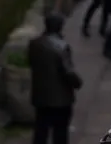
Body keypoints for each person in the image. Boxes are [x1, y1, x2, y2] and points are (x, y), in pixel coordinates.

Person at [29, 13, 83, 144]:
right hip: (60, 99)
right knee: (60, 132)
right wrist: (77, 83)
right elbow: (68, 72)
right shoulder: (61, 47)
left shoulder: (34, 44)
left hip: (40, 95)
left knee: (41, 129)